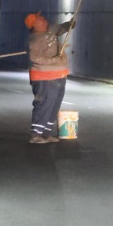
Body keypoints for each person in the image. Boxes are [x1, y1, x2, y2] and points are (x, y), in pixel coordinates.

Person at [26, 12, 76, 144]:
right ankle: (36, 135)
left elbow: (62, 28)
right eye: (39, 19)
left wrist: (69, 25)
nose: (43, 19)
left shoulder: (51, 30)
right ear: (34, 25)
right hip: (44, 77)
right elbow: (34, 58)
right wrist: (53, 60)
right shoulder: (35, 40)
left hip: (59, 75)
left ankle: (46, 133)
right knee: (44, 104)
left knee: (54, 105)